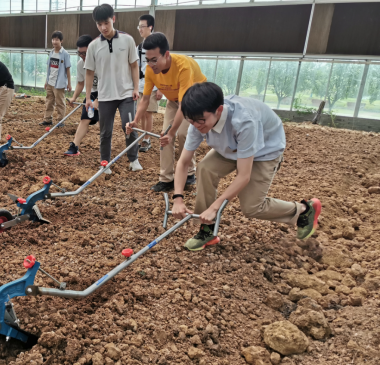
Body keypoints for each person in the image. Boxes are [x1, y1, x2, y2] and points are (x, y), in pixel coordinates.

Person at [171, 82, 322, 251]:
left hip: (264, 150)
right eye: (191, 120)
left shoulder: (244, 121)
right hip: (231, 147)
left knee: (251, 207)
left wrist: (215, 208)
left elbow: (243, 176)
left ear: (219, 110)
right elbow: (183, 162)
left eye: (201, 120)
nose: (196, 125)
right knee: (206, 168)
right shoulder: (197, 121)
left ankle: (303, 210)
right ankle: (207, 230)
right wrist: (177, 198)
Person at [127, 32, 206, 192]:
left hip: (194, 100)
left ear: (166, 54)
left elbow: (184, 105)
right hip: (173, 100)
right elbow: (145, 100)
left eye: (154, 60)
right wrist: (135, 120)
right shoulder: (150, 71)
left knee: (184, 134)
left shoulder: (183, 65)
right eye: (147, 60)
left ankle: (189, 173)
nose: (151, 64)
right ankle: (166, 179)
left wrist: (173, 132)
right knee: (165, 135)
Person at [84, 3, 141, 173]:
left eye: (106, 23)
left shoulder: (128, 40)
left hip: (126, 93)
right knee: (105, 131)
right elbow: (89, 73)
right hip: (105, 95)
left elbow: (134, 65)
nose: (103, 27)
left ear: (113, 19)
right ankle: (105, 163)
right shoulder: (93, 46)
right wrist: (88, 97)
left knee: (129, 126)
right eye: (99, 24)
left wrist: (136, 88)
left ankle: (134, 159)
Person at [64, 34, 99, 157]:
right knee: (85, 118)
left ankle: (106, 146)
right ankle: (74, 146)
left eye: (85, 53)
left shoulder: (102, 62)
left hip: (108, 93)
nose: (83, 56)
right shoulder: (80, 64)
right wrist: (74, 97)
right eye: (80, 53)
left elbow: (111, 83)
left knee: (104, 123)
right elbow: (80, 83)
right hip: (92, 93)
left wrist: (99, 101)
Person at [136, 14, 162, 152]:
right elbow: (136, 67)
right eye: (139, 26)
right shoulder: (139, 47)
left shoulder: (158, 45)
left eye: (142, 26)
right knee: (140, 112)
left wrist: (160, 88)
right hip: (141, 84)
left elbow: (162, 67)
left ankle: (147, 139)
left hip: (153, 85)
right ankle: (142, 137)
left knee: (148, 113)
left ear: (150, 27)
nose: (140, 29)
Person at [40, 31, 71, 127]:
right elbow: (49, 68)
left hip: (59, 83)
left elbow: (68, 69)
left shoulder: (65, 54)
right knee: (49, 101)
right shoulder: (51, 52)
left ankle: (61, 121)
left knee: (60, 102)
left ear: (61, 41)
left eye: (57, 39)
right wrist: (46, 81)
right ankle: (47, 119)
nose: (54, 42)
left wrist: (69, 83)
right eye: (53, 39)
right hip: (50, 82)